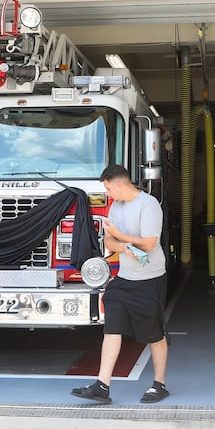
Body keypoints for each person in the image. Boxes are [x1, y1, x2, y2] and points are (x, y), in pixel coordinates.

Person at [71, 164, 169, 404]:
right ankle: (102, 385)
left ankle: (159, 384)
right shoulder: (116, 207)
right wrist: (125, 246)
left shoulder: (149, 205)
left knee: (153, 333)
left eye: (107, 188)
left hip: (150, 279)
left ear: (118, 184)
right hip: (125, 279)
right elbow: (109, 242)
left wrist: (122, 238)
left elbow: (148, 244)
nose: (108, 194)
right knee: (112, 325)